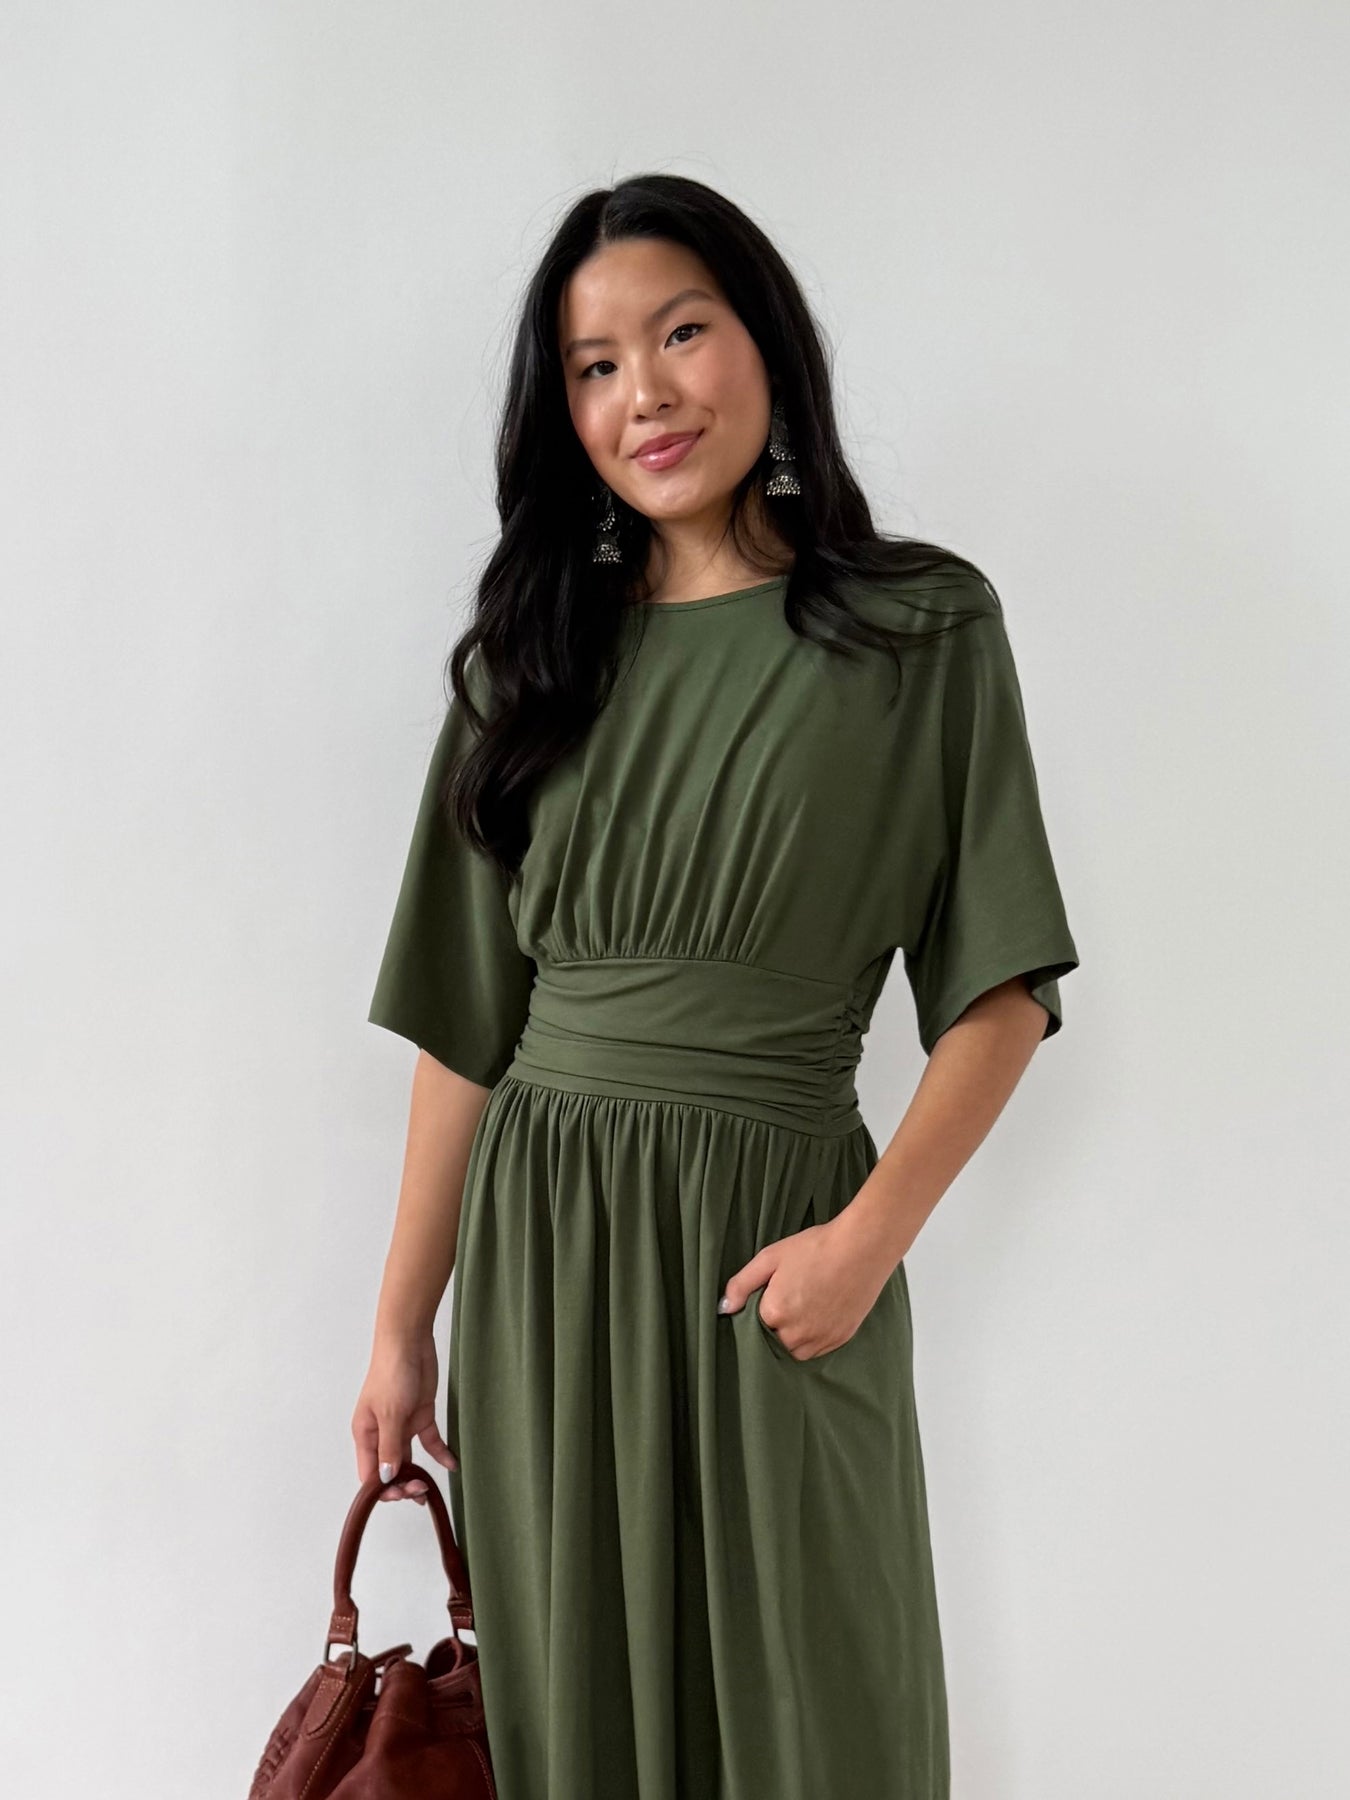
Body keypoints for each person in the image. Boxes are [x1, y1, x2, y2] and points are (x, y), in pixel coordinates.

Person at [351, 172, 1079, 1800]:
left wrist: (865, 1242)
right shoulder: (527, 662)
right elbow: (465, 1029)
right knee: (581, 1723)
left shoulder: (918, 630)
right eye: (594, 367)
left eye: (679, 333)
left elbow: (1002, 987)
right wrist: (399, 1330)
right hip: (548, 1257)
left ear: (765, 341)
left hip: (780, 1244)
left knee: (818, 1717)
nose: (645, 394)